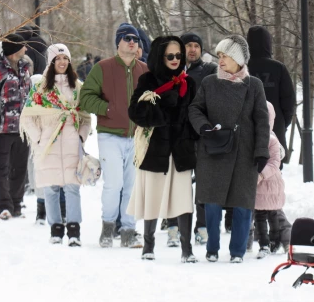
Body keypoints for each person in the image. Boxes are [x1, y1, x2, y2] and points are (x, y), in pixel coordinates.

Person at [188, 34, 270, 263]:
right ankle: (212, 248)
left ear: (238, 58)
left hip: (245, 152)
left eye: (226, 56)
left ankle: (237, 252)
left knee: (243, 204)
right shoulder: (209, 83)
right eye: (220, 55)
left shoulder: (254, 85)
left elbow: (262, 121)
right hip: (214, 150)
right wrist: (204, 128)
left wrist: (262, 151)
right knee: (212, 202)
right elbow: (195, 109)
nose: (221, 60)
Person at [127, 36, 198, 262]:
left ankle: (187, 250)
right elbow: (135, 112)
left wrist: (195, 136)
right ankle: (148, 246)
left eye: (179, 55)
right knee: (152, 197)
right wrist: (162, 108)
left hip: (180, 150)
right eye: (170, 55)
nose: (176, 59)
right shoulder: (148, 80)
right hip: (155, 150)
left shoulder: (190, 82)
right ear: (160, 56)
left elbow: (195, 114)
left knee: (184, 199)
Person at [79, 23, 148, 248]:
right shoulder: (102, 68)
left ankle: (128, 231)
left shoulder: (144, 70)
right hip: (110, 135)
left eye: (135, 39)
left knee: (131, 185)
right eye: (127, 38)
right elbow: (86, 98)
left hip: (137, 136)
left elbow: (153, 99)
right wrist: (109, 109)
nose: (132, 42)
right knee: (114, 183)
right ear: (117, 42)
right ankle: (108, 227)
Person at [21, 44, 91, 246]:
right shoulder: (40, 88)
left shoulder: (77, 87)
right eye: (58, 59)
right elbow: (28, 117)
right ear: (51, 62)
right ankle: (56, 228)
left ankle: (74, 228)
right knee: (51, 188)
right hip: (48, 145)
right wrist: (39, 138)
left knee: (72, 187)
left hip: (71, 145)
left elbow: (86, 117)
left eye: (65, 59)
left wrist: (81, 137)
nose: (62, 62)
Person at [162, 32, 218, 246]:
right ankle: (174, 227)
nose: (192, 49)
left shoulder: (210, 71)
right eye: (188, 45)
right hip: (177, 137)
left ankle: (201, 226)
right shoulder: (169, 71)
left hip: (202, 136)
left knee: (203, 183)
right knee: (177, 183)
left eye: (196, 45)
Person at [0, 34, 31, 220]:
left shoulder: (25, 68)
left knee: (20, 167)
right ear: (13, 50)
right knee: (2, 168)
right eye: (23, 46)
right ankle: (3, 205)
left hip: (23, 128)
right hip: (2, 128)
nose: (26, 49)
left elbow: (29, 96)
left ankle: (17, 203)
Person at [246, 25, 295, 154]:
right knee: (274, 169)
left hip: (247, 130)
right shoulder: (278, 68)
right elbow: (288, 101)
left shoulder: (242, 68)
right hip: (275, 129)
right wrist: (282, 124)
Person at [254, 101, 285, 259]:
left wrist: (261, 175)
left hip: (270, 182)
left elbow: (275, 163)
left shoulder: (272, 140)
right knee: (259, 215)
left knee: (273, 214)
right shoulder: (252, 136)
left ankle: (275, 240)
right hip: (258, 184)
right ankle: (264, 243)